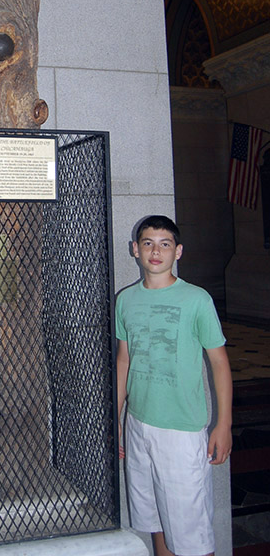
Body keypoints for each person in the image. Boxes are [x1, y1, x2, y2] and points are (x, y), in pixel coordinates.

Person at [115, 215, 233, 556]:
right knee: (155, 521)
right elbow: (125, 360)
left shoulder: (197, 300)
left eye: (165, 244)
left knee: (191, 534)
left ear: (178, 252)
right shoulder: (126, 300)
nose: (156, 251)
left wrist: (222, 424)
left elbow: (219, 363)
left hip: (181, 431)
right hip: (138, 424)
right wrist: (118, 419)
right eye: (148, 243)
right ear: (135, 249)